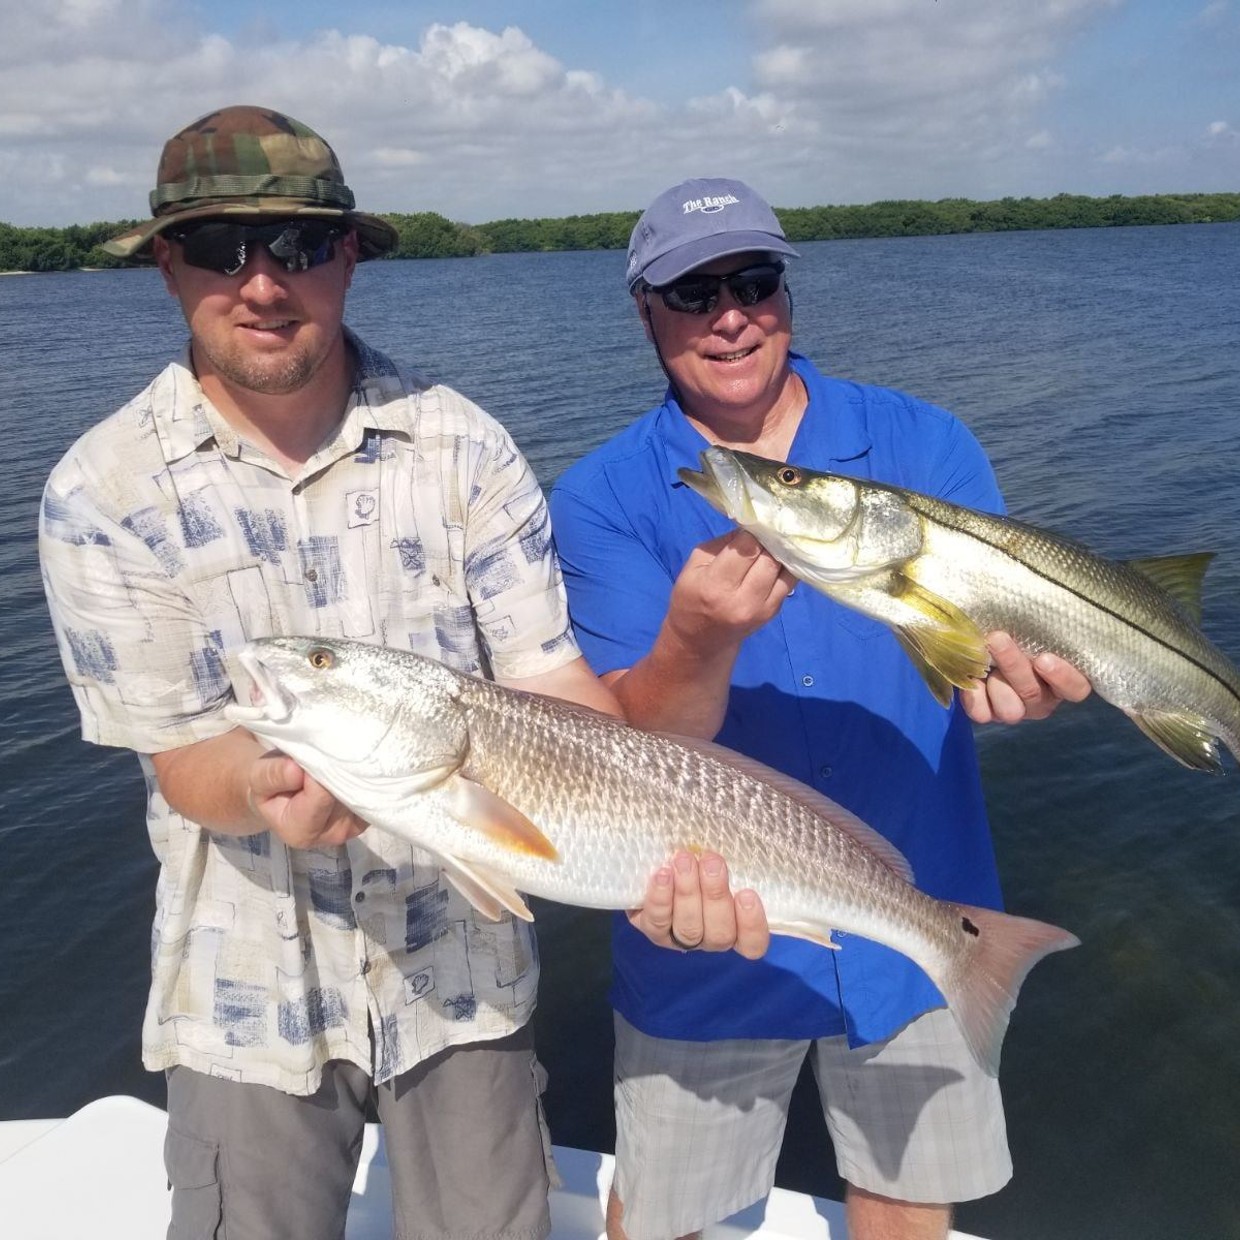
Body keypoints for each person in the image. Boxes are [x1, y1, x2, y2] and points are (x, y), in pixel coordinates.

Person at [38, 104, 635, 1240]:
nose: (262, 284)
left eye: (301, 246)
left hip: (462, 964)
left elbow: (553, 688)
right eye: (220, 248)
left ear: (350, 256)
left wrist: (673, 843)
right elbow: (182, 757)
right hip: (244, 991)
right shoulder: (100, 490)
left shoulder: (466, 445)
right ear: (167, 265)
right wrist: (262, 787)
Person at [548, 178, 1092, 1240]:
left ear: (786, 294)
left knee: (901, 1201)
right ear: (644, 312)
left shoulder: (924, 443)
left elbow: (983, 641)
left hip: (922, 909)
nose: (731, 314)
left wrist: (1016, 679)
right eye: (693, 292)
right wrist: (696, 639)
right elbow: (625, 749)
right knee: (662, 1216)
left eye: (754, 281)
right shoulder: (601, 497)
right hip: (703, 922)